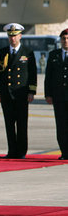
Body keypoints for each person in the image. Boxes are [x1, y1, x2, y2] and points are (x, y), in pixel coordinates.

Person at [0, 23, 37, 159]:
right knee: (9, 124)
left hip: (21, 93)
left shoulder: (27, 52)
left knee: (22, 123)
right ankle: (12, 150)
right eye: (10, 36)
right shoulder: (2, 52)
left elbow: (32, 73)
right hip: (7, 93)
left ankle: (22, 151)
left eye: (15, 36)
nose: (12, 38)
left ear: (20, 36)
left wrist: (31, 92)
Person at [44, 28, 68, 160]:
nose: (66, 41)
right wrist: (48, 94)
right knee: (61, 125)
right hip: (58, 96)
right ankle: (64, 152)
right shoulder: (54, 55)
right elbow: (49, 76)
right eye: (63, 39)